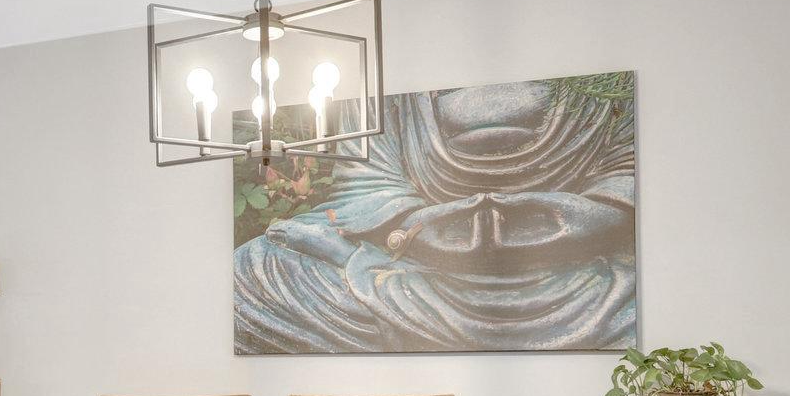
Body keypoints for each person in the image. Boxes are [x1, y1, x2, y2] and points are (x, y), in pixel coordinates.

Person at [233, 72, 636, 354]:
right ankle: (364, 266)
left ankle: (358, 265)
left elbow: (625, 181)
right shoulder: (381, 92)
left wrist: (518, 224)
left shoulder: (612, 90)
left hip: (570, 255)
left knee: (637, 296)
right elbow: (368, 183)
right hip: (416, 241)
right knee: (253, 270)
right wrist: (423, 229)